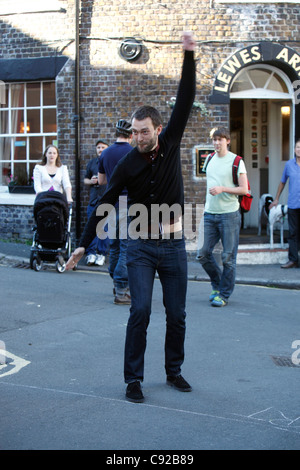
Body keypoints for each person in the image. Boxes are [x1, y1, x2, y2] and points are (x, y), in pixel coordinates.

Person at [66, 31, 196, 403]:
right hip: (139, 245)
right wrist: (81, 244)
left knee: (178, 314)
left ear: (157, 129)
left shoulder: (170, 142)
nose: (138, 137)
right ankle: (133, 380)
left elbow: (185, 99)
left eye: (144, 131)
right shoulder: (126, 163)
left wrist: (188, 56)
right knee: (139, 310)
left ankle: (174, 372)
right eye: (134, 132)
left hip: (172, 245)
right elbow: (105, 203)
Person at [197, 127, 248, 307]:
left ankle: (224, 294)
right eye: (214, 140)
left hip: (229, 215)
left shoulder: (236, 161)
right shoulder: (209, 159)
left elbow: (244, 189)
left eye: (221, 139)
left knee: (228, 257)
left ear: (228, 141)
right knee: (202, 254)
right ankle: (218, 283)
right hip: (210, 214)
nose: (217, 143)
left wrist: (223, 189)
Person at [98, 120, 133, 305]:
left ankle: (115, 280)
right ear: (131, 135)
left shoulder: (106, 153)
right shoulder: (133, 153)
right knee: (127, 247)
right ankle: (121, 290)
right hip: (128, 204)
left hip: (110, 204)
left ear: (116, 133)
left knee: (115, 246)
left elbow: (102, 181)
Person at [269, 138, 300, 268]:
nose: (299, 149)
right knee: (293, 233)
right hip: (293, 204)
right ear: (294, 149)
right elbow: (282, 182)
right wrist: (276, 199)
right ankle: (293, 260)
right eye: (297, 147)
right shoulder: (289, 165)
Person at [84, 139, 109, 266]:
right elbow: (85, 180)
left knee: (104, 229)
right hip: (93, 201)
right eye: (98, 147)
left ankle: (101, 254)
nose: (100, 149)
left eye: (103, 147)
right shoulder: (92, 163)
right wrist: (92, 181)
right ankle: (91, 254)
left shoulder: (110, 162)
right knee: (92, 228)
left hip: (106, 201)